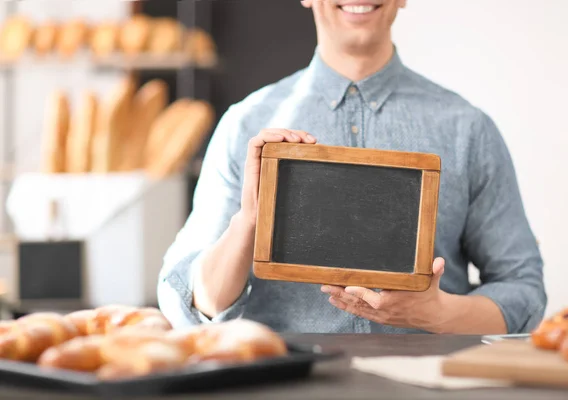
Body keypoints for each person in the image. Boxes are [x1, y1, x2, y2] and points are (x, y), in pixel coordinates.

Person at [157, 0, 546, 334]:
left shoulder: (468, 128)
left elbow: (524, 292)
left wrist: (437, 314)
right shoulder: (244, 124)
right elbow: (185, 301)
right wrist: (246, 223)